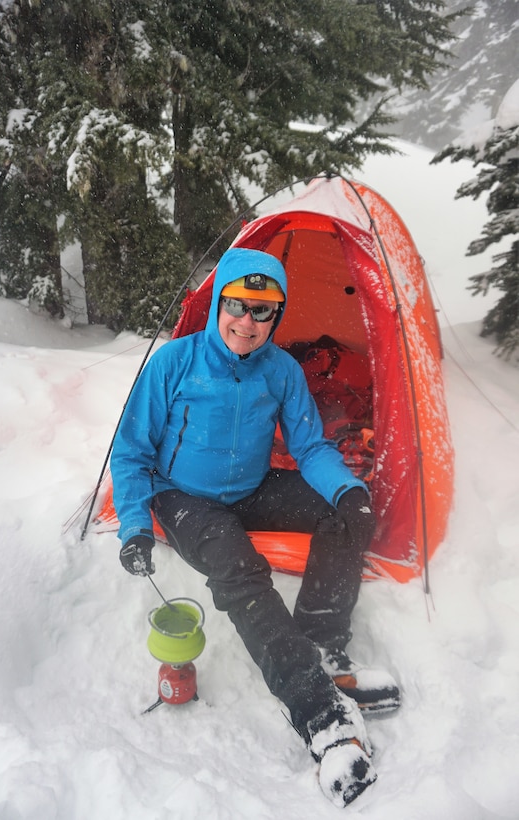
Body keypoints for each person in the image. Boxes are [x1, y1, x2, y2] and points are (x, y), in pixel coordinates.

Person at [111, 247, 399, 808]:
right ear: (219, 302)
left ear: (277, 316)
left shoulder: (282, 370)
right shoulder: (174, 363)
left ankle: (318, 642)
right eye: (238, 305)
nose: (247, 322)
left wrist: (348, 490)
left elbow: (311, 446)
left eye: (263, 311)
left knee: (344, 512)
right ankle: (318, 713)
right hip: (184, 498)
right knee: (239, 567)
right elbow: (130, 451)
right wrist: (133, 525)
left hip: (250, 487)